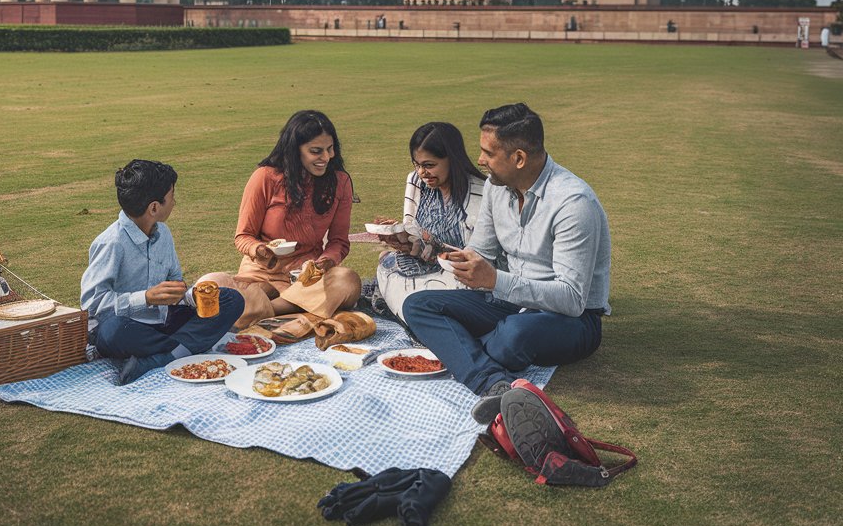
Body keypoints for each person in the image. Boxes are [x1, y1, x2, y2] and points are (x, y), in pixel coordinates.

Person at [402, 103, 611, 423]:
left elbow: (571, 299)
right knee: (418, 305)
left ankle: (461, 350)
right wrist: (461, 259)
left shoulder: (572, 203)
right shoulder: (496, 188)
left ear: (519, 158)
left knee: (513, 336)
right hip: (506, 301)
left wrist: (495, 280)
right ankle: (493, 383)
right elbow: (481, 251)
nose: (480, 161)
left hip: (571, 319)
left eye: (488, 153)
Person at [81, 159, 244, 385]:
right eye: (172, 197)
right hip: (128, 328)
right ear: (154, 207)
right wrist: (145, 298)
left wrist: (191, 296)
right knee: (111, 331)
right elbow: (91, 304)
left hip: (163, 321)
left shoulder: (163, 234)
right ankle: (184, 347)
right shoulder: (111, 243)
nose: (175, 202)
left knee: (231, 300)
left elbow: (175, 282)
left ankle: (158, 358)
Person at [198, 110, 361, 328]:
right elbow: (243, 236)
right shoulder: (265, 177)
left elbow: (339, 242)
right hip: (260, 275)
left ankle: (264, 312)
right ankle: (300, 312)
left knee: (347, 280)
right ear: (295, 151)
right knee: (208, 284)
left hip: (306, 278)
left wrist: (325, 262)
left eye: (330, 149)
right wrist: (260, 250)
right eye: (316, 151)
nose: (326, 157)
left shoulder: (340, 182)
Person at [373, 121, 485, 321]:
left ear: (452, 159)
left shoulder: (480, 193)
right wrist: (400, 236)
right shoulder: (416, 182)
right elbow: (412, 228)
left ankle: (416, 313)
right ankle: (419, 313)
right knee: (386, 261)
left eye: (429, 165)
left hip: (460, 275)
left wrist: (428, 247)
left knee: (451, 290)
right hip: (423, 265)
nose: (422, 173)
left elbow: (474, 260)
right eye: (417, 165)